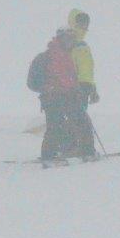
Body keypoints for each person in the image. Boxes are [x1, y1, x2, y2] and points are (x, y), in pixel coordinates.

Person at [39, 28, 79, 161]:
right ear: (61, 39)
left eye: (72, 38)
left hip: (63, 97)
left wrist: (75, 89)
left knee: (65, 124)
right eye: (67, 38)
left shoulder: (66, 55)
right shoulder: (51, 56)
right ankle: (48, 157)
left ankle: (63, 151)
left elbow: (70, 77)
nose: (70, 41)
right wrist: (49, 88)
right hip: (53, 97)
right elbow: (62, 77)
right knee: (55, 126)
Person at [67, 9, 98, 159]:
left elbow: (88, 70)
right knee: (78, 116)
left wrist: (93, 88)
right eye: (81, 23)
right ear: (74, 22)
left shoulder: (83, 44)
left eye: (86, 23)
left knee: (78, 116)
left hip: (84, 85)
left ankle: (79, 147)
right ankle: (81, 148)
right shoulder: (70, 43)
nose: (84, 26)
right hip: (77, 85)